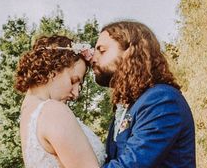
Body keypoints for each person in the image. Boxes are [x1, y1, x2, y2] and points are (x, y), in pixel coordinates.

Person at [92, 20, 196, 168]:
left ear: (130, 52)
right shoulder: (127, 107)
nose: (93, 59)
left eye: (102, 51)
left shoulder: (162, 100)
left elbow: (131, 165)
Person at [15, 35, 105, 168]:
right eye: (73, 81)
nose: (76, 94)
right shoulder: (52, 111)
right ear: (52, 69)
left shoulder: (29, 112)